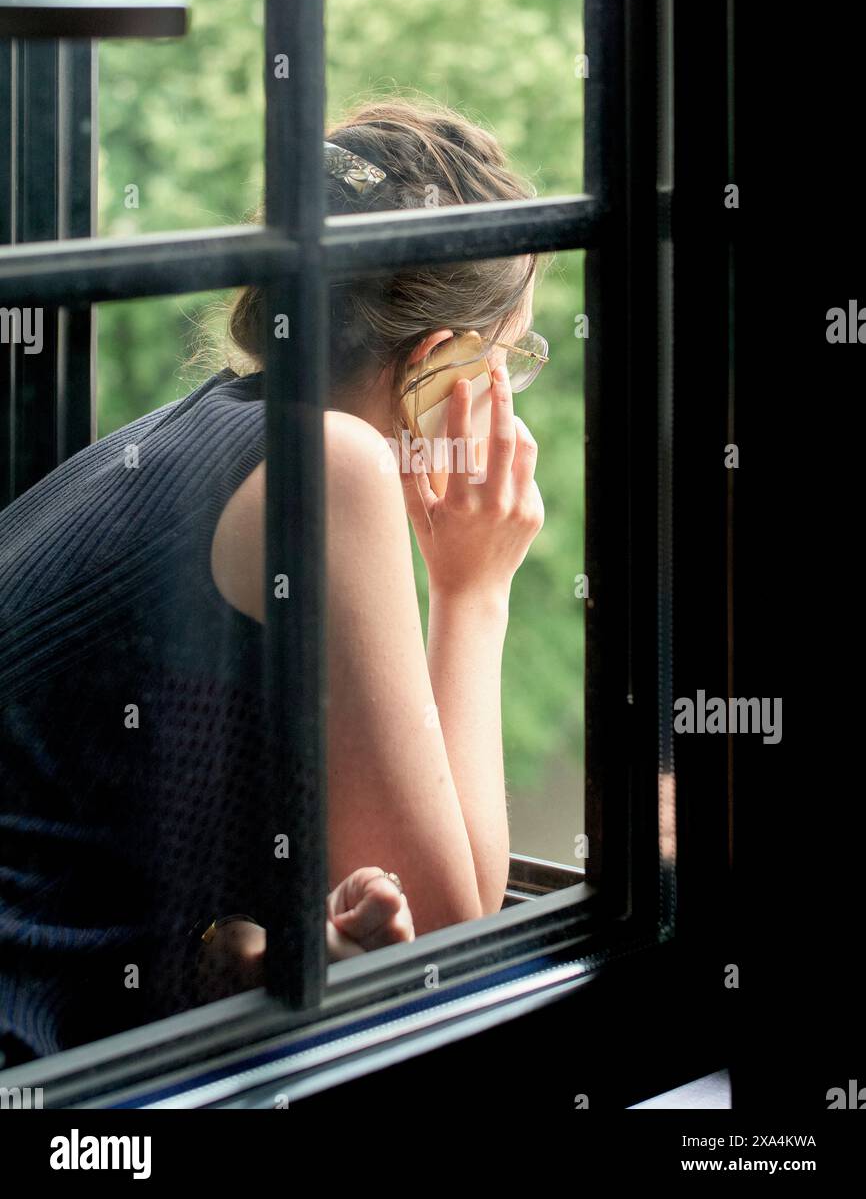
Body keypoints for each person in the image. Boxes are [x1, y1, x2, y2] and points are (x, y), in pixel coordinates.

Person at [0, 96, 547, 1061]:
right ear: (438, 366)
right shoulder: (329, 465)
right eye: (511, 359)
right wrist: (475, 590)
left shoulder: (201, 434)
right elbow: (454, 932)